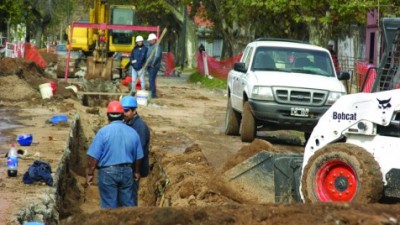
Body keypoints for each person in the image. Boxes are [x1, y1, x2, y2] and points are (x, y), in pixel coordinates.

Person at [86, 101, 143, 208]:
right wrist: (136, 172)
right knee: (127, 207)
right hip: (127, 172)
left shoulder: (103, 132)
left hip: (107, 172)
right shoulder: (133, 132)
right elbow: (138, 156)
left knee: (109, 207)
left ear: (108, 115)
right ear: (122, 115)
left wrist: (90, 173)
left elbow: (94, 156)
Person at [121, 96, 150, 205]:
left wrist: (136, 171)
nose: (124, 113)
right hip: (128, 168)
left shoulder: (139, 127)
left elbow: (139, 151)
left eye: (127, 111)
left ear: (134, 111)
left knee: (131, 198)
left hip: (134, 169)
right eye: (122, 110)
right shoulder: (127, 123)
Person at [146, 33, 162, 98]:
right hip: (149, 65)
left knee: (151, 79)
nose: (149, 41)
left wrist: (153, 63)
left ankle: (153, 94)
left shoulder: (157, 46)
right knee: (150, 79)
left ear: (154, 40)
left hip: (154, 66)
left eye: (150, 40)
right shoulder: (150, 46)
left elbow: (157, 56)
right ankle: (151, 92)